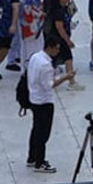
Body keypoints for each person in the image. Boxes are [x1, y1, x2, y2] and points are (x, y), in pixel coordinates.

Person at [27, 37, 74, 173]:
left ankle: (32, 157)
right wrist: (66, 77)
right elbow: (49, 85)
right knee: (43, 133)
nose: (58, 51)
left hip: (34, 98)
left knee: (35, 129)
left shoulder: (35, 57)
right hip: (44, 101)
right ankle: (39, 162)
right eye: (57, 48)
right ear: (51, 48)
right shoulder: (46, 65)